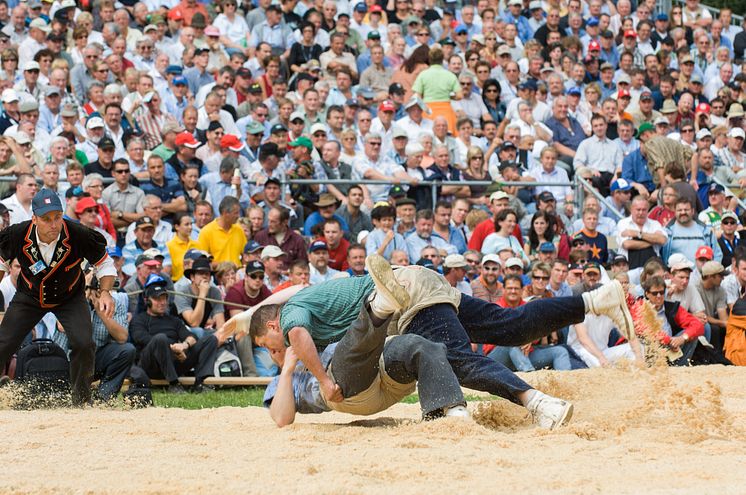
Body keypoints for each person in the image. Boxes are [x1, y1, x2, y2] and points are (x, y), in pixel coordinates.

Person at [232, 255, 636, 430]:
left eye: (269, 345)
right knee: (510, 326)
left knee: (457, 359)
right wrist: (243, 317)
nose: (275, 349)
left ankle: (537, 403)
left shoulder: (289, 320)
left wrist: (320, 379)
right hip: (423, 282)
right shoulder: (303, 300)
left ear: (271, 326)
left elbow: (295, 333)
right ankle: (595, 299)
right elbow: (292, 294)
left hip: (403, 298)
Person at [0, 189, 116, 405]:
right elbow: (0, 262)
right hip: (29, 297)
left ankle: (81, 400)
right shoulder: (17, 234)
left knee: (84, 343)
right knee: (3, 343)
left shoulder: (78, 233)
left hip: (70, 297)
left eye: (57, 217)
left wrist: (106, 292)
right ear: (34, 219)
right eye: (46, 219)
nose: (53, 224)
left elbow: (104, 262)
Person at [131, 277, 218, 393]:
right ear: (147, 301)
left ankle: (201, 382)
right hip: (151, 365)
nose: (162, 303)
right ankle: (174, 384)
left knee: (210, 339)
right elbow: (143, 340)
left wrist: (184, 345)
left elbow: (192, 337)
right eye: (158, 299)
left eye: (164, 299)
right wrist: (174, 349)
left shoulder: (173, 320)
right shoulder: (138, 320)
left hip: (174, 360)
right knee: (160, 338)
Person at [174, 257, 225, 339]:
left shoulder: (214, 292)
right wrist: (202, 294)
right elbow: (194, 323)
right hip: (181, 332)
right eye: (200, 273)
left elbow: (220, 323)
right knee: (199, 331)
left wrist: (220, 337)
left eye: (207, 274)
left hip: (203, 331)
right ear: (192, 277)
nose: (204, 276)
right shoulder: (182, 292)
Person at [616, 195, 668, 270]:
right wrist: (652, 241)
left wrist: (638, 234)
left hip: (653, 267)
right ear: (631, 209)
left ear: (648, 210)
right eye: (638, 209)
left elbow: (662, 240)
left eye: (644, 210)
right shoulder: (623, 223)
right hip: (629, 267)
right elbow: (627, 244)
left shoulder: (654, 224)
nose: (641, 213)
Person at [196, 196, 247, 265]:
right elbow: (202, 260)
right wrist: (222, 266)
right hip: (217, 274)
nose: (238, 216)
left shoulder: (239, 230)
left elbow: (245, 254)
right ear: (225, 213)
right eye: (235, 213)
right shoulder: (206, 232)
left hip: (237, 273)